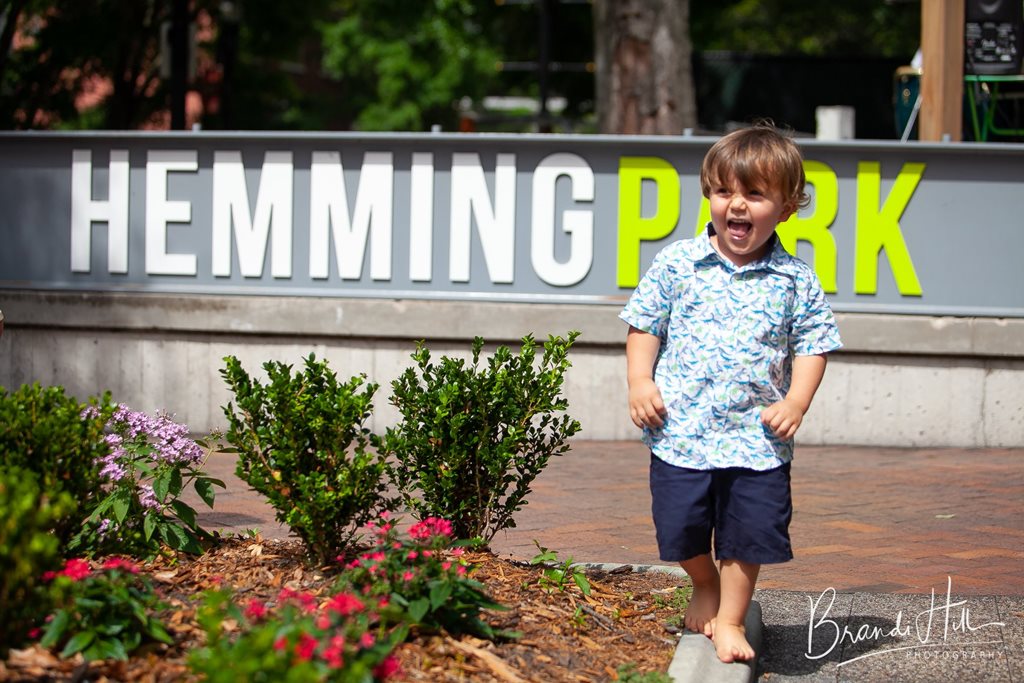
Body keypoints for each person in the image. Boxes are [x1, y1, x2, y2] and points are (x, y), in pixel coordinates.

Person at [619, 123, 842, 663]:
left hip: (756, 441)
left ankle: (732, 620)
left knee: (747, 534)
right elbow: (645, 326)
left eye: (755, 195)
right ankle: (704, 583)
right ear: (709, 195)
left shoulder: (795, 279)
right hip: (681, 432)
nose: (736, 206)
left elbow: (814, 345)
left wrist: (796, 402)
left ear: (787, 208)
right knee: (679, 528)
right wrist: (640, 381)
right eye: (725, 192)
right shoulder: (677, 263)